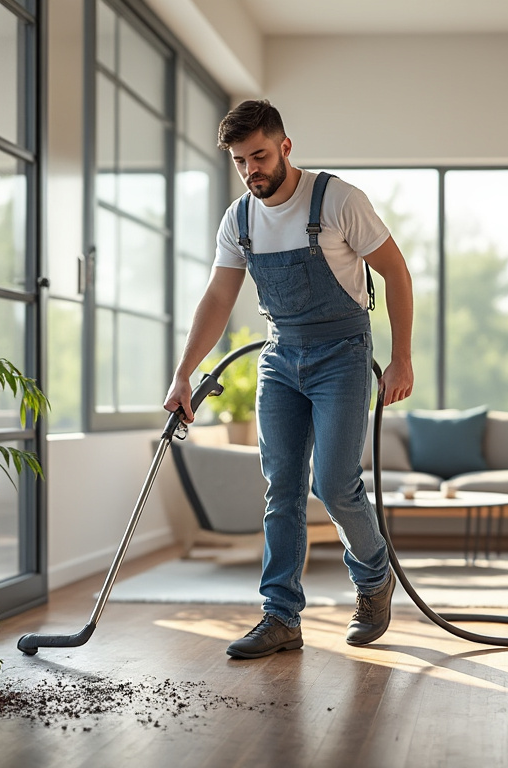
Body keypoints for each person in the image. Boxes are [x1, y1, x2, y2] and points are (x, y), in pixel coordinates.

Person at [163, 99, 414, 659]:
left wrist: (402, 359)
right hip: (280, 358)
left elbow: (395, 271)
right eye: (239, 160)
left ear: (284, 147)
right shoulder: (240, 219)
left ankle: (374, 579)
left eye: (259, 155)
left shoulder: (338, 200)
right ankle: (280, 616)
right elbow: (218, 298)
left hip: (343, 353)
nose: (251, 169)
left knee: (333, 481)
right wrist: (184, 375)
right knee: (282, 490)